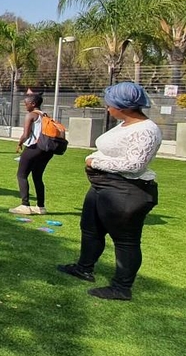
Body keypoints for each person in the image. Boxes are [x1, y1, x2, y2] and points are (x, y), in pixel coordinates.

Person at [57, 82, 161, 301]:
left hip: (126, 191)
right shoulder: (123, 124)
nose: (107, 109)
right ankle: (84, 268)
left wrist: (95, 162)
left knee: (126, 240)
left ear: (122, 106)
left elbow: (135, 165)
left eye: (110, 105)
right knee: (91, 229)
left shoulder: (146, 130)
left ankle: (121, 287)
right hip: (102, 187)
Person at [10, 92, 55, 215]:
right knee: (37, 177)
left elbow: (26, 134)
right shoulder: (45, 115)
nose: (25, 106)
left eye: (26, 104)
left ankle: (25, 205)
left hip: (34, 147)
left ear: (33, 104)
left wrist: (19, 143)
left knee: (21, 175)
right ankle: (40, 206)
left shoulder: (31, 115)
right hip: (47, 149)